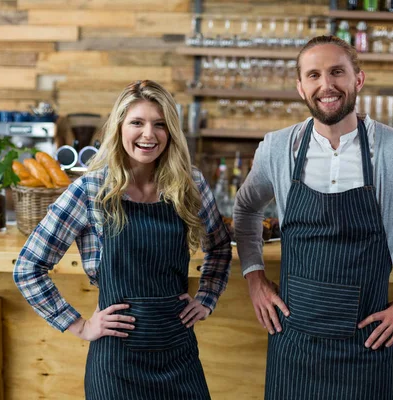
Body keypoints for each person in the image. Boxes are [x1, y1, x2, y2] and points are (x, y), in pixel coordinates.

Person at [233, 35, 393, 399]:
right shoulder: (278, 148)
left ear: (357, 79)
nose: (326, 85)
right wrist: (254, 276)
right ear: (300, 87)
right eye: (313, 75)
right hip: (292, 344)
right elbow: (246, 208)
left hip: (367, 345)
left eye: (336, 72)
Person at [14, 80, 231, 399]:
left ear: (170, 132)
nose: (149, 134)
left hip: (179, 356)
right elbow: (27, 268)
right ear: (118, 128)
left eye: (160, 124)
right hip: (116, 365)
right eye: (137, 123)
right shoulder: (89, 190)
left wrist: (207, 298)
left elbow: (220, 247)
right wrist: (80, 325)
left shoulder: (189, 184)